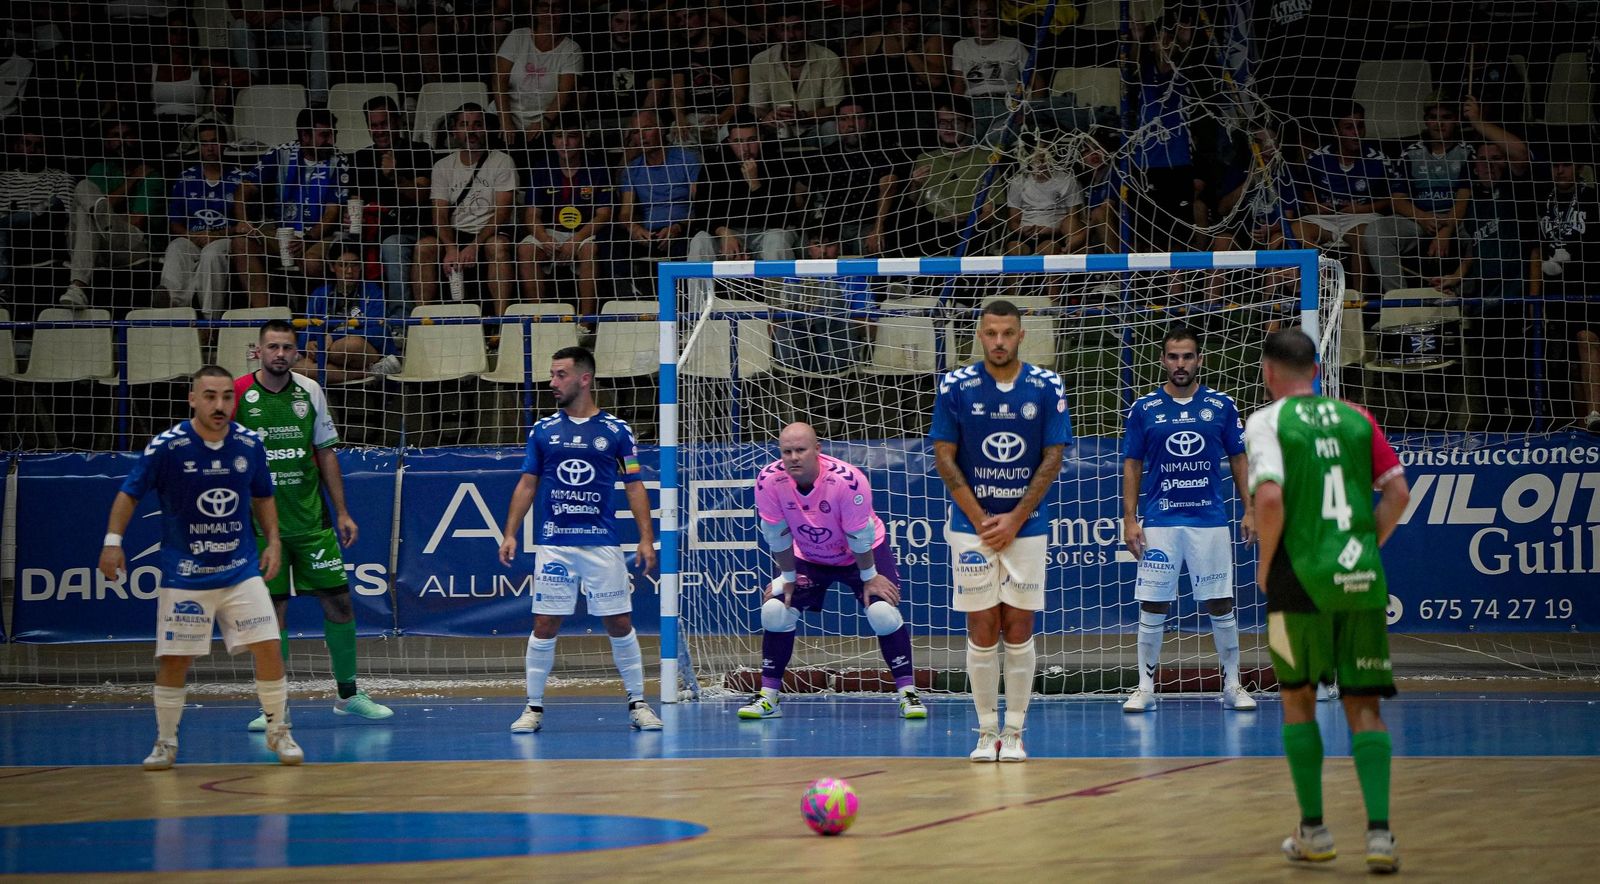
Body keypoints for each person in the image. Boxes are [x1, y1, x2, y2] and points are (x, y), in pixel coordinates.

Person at [1245, 327, 1409, 874]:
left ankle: (1314, 830)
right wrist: (1367, 545)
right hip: (1360, 576)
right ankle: (1381, 836)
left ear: (1268, 372)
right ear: (1316, 370)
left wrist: (1268, 565)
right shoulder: (1357, 416)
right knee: (1364, 705)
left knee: (1298, 697)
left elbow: (1268, 496)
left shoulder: (1267, 421)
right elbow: (1398, 492)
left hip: (1301, 580)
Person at [97, 365, 304, 770]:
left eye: (227, 396)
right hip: (186, 574)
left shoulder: (249, 444)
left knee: (269, 646)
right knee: (175, 660)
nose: (220, 404)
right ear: (193, 399)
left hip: (239, 569)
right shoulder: (168, 446)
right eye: (210, 396)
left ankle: (279, 732)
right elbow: (129, 493)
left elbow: (263, 495)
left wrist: (274, 541)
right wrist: (112, 543)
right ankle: (165, 742)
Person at [233, 319, 394, 729]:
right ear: (259, 351)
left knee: (339, 603)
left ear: (296, 352)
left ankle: (348, 695)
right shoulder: (237, 394)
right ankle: (275, 705)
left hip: (311, 520)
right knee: (273, 613)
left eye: (288, 348)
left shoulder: (310, 391)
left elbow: (325, 453)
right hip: (262, 527)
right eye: (273, 347)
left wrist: (341, 511)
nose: (280, 355)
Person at [930, 299, 1071, 762]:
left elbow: (1053, 458)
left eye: (1007, 333)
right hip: (971, 527)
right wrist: (981, 520)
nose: (998, 342)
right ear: (980, 335)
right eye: (990, 333)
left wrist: (1013, 519)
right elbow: (945, 458)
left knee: (1019, 623)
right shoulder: (956, 384)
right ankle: (986, 730)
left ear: (1020, 335)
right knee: (982, 623)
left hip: (1026, 526)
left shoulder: (1046, 384)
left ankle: (1014, 731)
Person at [497, 345, 663, 733]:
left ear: (584, 379)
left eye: (560, 375)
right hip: (555, 542)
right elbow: (527, 483)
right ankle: (532, 708)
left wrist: (644, 538)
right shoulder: (543, 431)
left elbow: (634, 485)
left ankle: (638, 703)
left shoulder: (616, 432)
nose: (552, 382)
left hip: (601, 542)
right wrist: (510, 532)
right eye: (552, 374)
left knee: (619, 622)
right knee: (545, 623)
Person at [742, 421, 926, 720]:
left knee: (882, 613)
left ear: (818, 450)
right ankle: (768, 697)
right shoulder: (768, 480)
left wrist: (869, 577)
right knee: (775, 610)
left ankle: (908, 693)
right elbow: (776, 535)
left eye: (801, 450)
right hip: (810, 555)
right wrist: (788, 578)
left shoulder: (847, 481)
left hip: (860, 555)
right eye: (786, 451)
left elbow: (859, 537)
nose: (793, 458)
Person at [1120, 325, 1256, 713]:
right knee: (1153, 603)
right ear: (1163, 360)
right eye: (1173, 357)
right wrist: (1130, 519)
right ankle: (1145, 687)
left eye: (1188, 356)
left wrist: (1249, 508)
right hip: (1160, 521)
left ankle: (1233, 685)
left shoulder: (1222, 405)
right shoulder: (1144, 408)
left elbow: (1239, 459)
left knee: (1220, 601)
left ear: (1199, 360)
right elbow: (1132, 464)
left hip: (1209, 520)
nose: (1180, 364)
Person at [233, 107, 350, 307]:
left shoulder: (339, 161)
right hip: (283, 231)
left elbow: (332, 212)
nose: (331, 140)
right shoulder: (281, 154)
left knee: (311, 263)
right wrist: (243, 221)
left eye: (333, 134)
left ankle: (316, 315)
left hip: (318, 236)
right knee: (241, 244)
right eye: (324, 135)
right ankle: (264, 315)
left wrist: (307, 239)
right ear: (305, 136)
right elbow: (245, 188)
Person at [415, 103, 517, 315]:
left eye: (477, 124)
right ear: (454, 130)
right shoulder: (442, 166)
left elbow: (502, 213)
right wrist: (451, 247)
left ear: (486, 129)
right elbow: (439, 213)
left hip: (489, 231)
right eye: (464, 124)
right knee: (424, 247)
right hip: (454, 232)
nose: (471, 130)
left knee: (497, 247)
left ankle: (501, 322)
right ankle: (422, 320)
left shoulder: (502, 162)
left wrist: (475, 245)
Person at [1362, 100, 1472, 296]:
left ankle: (1461, 296)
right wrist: (1422, 217)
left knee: (1483, 232)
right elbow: (1397, 200)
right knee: (1377, 231)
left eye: (1446, 118)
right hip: (1421, 219)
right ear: (1425, 122)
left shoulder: (1466, 152)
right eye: (1433, 118)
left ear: (1456, 120)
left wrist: (1446, 230)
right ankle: (1400, 299)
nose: (1439, 124)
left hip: (1459, 220)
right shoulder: (1411, 153)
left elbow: (1464, 199)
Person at [517, 113, 613, 327]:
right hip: (550, 232)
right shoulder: (542, 167)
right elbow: (531, 215)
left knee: (589, 250)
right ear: (552, 140)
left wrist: (576, 239)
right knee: (526, 249)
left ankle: (585, 323)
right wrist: (543, 238)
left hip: (584, 232)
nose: (565, 142)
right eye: (559, 136)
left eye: (571, 136)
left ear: (582, 139)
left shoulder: (597, 167)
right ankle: (539, 320)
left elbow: (604, 214)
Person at [1532, 143, 1600, 432]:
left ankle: (1595, 412)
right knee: (1563, 355)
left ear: (1579, 168)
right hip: (1555, 290)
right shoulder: (1542, 201)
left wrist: (1571, 255)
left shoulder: (1592, 199)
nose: (1559, 171)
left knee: (1587, 341)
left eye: (1566, 165)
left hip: (1588, 285)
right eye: (1555, 165)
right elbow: (1535, 245)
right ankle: (1576, 420)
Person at [60, 119, 161, 309]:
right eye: (116, 136)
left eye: (127, 135)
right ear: (106, 142)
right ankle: (77, 288)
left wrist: (103, 215)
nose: (122, 141)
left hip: (129, 246)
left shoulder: (149, 174)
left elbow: (137, 220)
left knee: (86, 214)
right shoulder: (99, 170)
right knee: (84, 190)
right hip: (93, 244)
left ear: (137, 140)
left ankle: (78, 287)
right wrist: (131, 181)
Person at [350, 95, 434, 320]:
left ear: (397, 121)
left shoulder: (419, 150)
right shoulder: (361, 157)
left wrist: (395, 176)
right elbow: (354, 200)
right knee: (342, 248)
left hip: (409, 228)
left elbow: (422, 194)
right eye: (374, 126)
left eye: (384, 124)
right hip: (370, 229)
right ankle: (357, 318)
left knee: (392, 246)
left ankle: (401, 322)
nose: (380, 131)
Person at [161, 121, 247, 317]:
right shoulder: (185, 179)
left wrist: (214, 235)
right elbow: (175, 222)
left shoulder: (240, 179)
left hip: (227, 239)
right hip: (193, 237)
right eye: (204, 143)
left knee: (211, 253)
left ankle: (211, 321)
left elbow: (245, 226)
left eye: (214, 142)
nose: (209, 148)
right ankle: (171, 309)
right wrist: (192, 236)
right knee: (176, 247)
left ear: (225, 144)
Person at [300, 241, 400, 382]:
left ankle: (331, 358)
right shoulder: (319, 294)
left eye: (354, 265)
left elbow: (379, 333)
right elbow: (306, 330)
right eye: (343, 265)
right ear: (332, 267)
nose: (349, 271)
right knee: (298, 367)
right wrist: (308, 343)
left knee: (351, 345)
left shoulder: (373, 291)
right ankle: (367, 373)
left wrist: (332, 338)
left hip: (363, 351)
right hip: (330, 354)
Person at [492, 0, 582, 147]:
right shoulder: (518, 37)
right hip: (504, 115)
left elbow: (565, 93)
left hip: (544, 122)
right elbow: (499, 80)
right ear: (535, 10)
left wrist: (544, 122)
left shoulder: (571, 49)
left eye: (557, 7)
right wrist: (506, 122)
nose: (550, 12)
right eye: (544, 6)